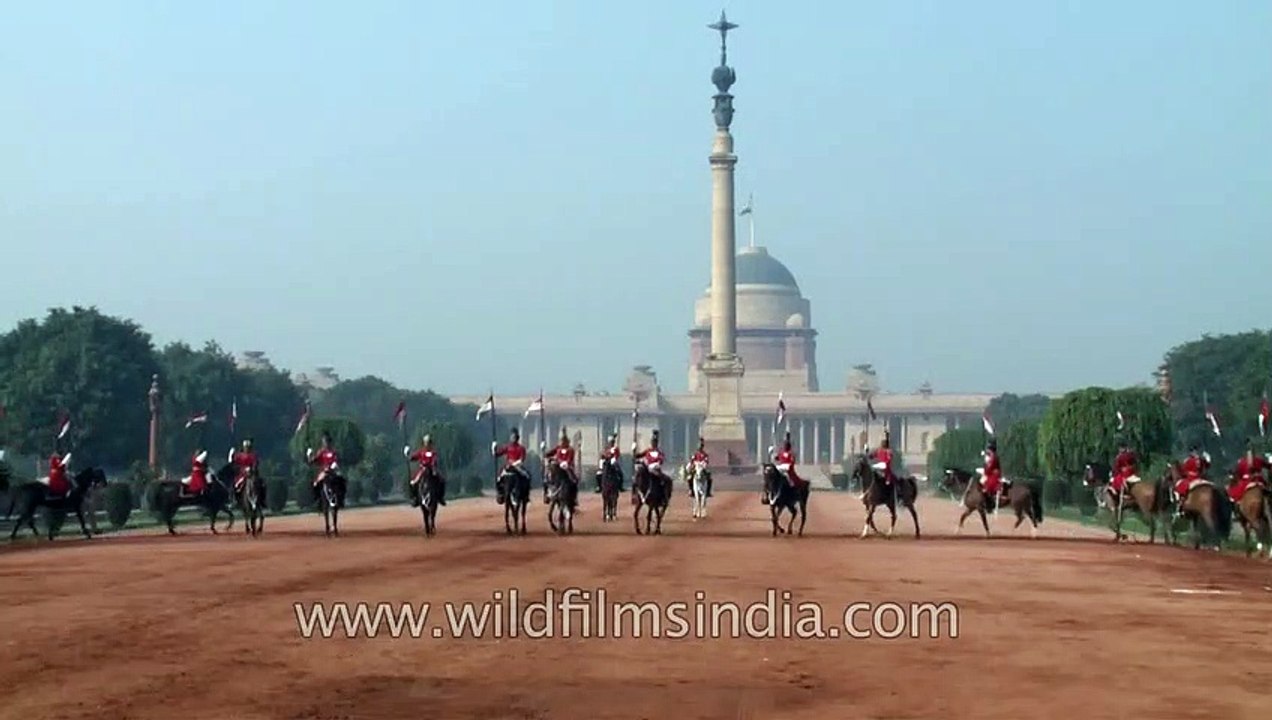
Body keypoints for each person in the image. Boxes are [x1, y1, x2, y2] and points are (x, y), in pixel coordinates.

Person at [406, 434, 446, 506]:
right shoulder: (421, 452)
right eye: (427, 442)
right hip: (423, 469)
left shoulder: (433, 452)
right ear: (424, 443)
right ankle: (415, 498)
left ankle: (440, 497)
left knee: (442, 480)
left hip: (432, 469)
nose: (428, 444)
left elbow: (434, 459)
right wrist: (408, 455)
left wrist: (433, 464)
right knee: (414, 483)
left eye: (429, 442)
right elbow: (414, 458)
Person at [632, 429, 670, 503]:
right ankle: (635, 494)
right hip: (647, 467)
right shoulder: (648, 451)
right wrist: (634, 450)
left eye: (655, 443)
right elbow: (638, 456)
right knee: (637, 478)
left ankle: (664, 496)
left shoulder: (659, 452)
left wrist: (658, 463)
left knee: (664, 480)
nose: (653, 444)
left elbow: (661, 459)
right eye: (652, 442)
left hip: (655, 469)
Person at [492, 428, 529, 504]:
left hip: (517, 466)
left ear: (517, 438)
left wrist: (515, 463)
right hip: (508, 467)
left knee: (527, 477)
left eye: (514, 437)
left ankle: (525, 495)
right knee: (499, 478)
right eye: (512, 437)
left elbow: (522, 459)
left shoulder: (521, 448)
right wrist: (493, 448)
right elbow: (497, 454)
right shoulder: (507, 447)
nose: (513, 439)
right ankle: (500, 493)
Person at [544, 427, 580, 502]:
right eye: (561, 441)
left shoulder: (570, 449)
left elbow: (570, 459)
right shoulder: (558, 448)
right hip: (558, 467)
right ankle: (547, 493)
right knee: (547, 477)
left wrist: (565, 463)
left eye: (564, 441)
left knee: (574, 480)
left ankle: (574, 497)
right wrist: (544, 450)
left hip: (567, 467)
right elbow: (549, 454)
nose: (562, 442)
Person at [1229, 439, 1267, 503]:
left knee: (1238, 496)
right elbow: (1268, 466)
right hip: (1259, 480)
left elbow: (1239, 475)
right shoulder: (1258, 460)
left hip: (1246, 481)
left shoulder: (1242, 463)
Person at [307, 432, 340, 503]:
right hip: (324, 471)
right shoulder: (321, 452)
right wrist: (309, 455)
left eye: (327, 442)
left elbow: (336, 460)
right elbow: (312, 461)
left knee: (341, 482)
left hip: (332, 471)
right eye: (324, 442)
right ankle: (317, 499)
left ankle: (337, 497)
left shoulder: (333, 452)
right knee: (315, 484)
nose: (326, 444)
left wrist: (334, 465)